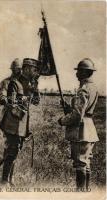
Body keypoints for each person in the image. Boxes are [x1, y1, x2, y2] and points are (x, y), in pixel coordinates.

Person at [58, 58, 99, 191]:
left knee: (80, 163)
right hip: (89, 129)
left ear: (84, 73)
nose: (76, 74)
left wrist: (62, 120)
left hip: (81, 131)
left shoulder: (83, 90)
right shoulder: (93, 88)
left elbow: (77, 115)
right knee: (86, 163)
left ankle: (80, 194)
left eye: (79, 71)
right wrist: (68, 107)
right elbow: (82, 110)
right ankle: (85, 193)